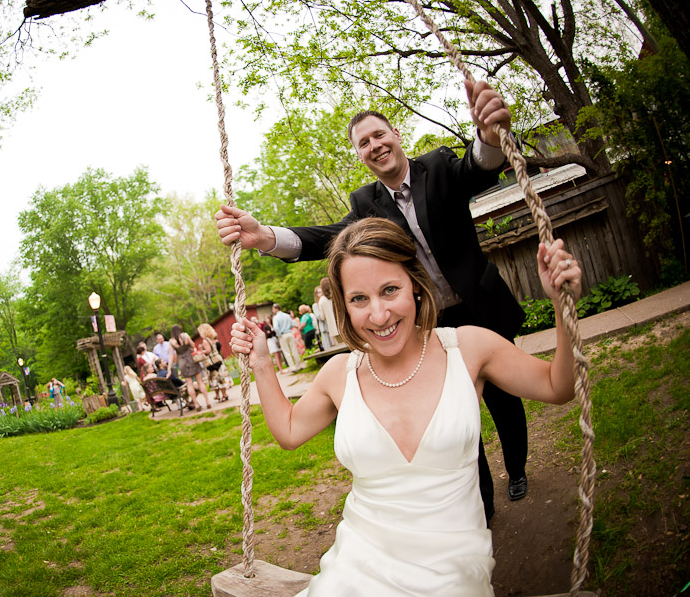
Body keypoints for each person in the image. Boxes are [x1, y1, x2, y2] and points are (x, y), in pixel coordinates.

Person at [215, 79, 529, 515]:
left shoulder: (438, 167)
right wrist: (266, 236)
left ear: (396, 135)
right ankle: (479, 505)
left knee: (503, 398)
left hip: (480, 307)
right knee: (452, 416)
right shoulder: (365, 204)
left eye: (379, 135)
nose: (374, 145)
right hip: (427, 322)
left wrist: (489, 136)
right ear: (360, 156)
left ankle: (517, 469)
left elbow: (479, 167)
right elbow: (326, 239)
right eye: (363, 143)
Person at [228, 218, 581, 596]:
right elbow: (288, 431)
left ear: (414, 283)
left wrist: (562, 306)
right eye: (359, 299)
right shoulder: (339, 374)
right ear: (344, 306)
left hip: (453, 569)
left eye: (390, 290)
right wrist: (263, 365)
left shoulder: (469, 348)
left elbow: (558, 387)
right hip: (356, 566)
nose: (378, 315)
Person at [169, 324, 212, 410]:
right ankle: (207, 402)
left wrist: (169, 369)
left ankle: (196, 404)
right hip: (191, 360)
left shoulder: (171, 341)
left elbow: (171, 356)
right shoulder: (185, 335)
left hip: (182, 363)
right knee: (200, 382)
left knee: (189, 384)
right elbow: (193, 345)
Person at [198, 323, 229, 402]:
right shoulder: (213, 338)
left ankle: (220, 395)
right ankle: (223, 394)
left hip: (212, 362)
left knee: (215, 379)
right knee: (221, 378)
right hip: (218, 359)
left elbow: (208, 351)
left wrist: (201, 351)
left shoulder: (205, 340)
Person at [272, 304, 302, 373]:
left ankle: (293, 367)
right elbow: (292, 324)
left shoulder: (276, 318)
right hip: (289, 333)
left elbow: (276, 328)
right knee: (294, 350)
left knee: (286, 352)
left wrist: (279, 335)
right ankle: (298, 365)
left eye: (273, 309)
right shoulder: (287, 315)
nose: (273, 310)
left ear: (276, 309)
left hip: (282, 335)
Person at [317, 279, 341, 347]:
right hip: (344, 325)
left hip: (334, 328)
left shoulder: (322, 300)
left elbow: (322, 317)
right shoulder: (337, 294)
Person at [312, 286, 333, 350]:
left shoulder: (327, 301)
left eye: (321, 292)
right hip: (325, 328)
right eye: (318, 293)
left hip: (331, 326)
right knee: (328, 347)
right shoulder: (315, 305)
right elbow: (320, 317)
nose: (320, 294)